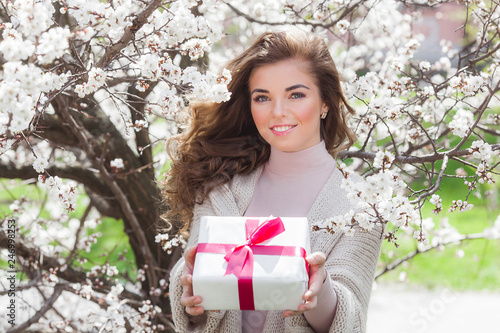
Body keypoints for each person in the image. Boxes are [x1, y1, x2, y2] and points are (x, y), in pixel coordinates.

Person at [165, 30, 382, 333]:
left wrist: (320, 294)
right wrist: (190, 290)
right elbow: (196, 311)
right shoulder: (222, 190)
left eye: (296, 95)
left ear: (325, 103)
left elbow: (351, 319)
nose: (278, 112)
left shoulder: (359, 207)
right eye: (263, 97)